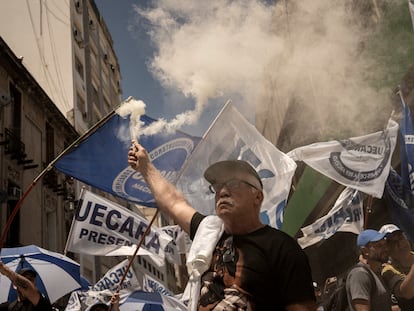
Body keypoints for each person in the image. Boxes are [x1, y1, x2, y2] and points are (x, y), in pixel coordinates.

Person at [128, 141, 316, 310]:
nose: (223, 192)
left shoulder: (283, 248)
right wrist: (146, 167)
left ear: (257, 196)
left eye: (233, 184)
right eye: (217, 187)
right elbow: (173, 202)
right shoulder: (210, 233)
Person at [346, 229, 392, 311]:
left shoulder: (377, 272)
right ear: (365, 251)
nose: (385, 249)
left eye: (384, 244)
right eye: (379, 246)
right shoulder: (360, 275)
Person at [380, 224, 414, 310]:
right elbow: (406, 293)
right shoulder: (388, 271)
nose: (400, 244)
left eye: (401, 238)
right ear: (387, 249)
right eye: (393, 242)